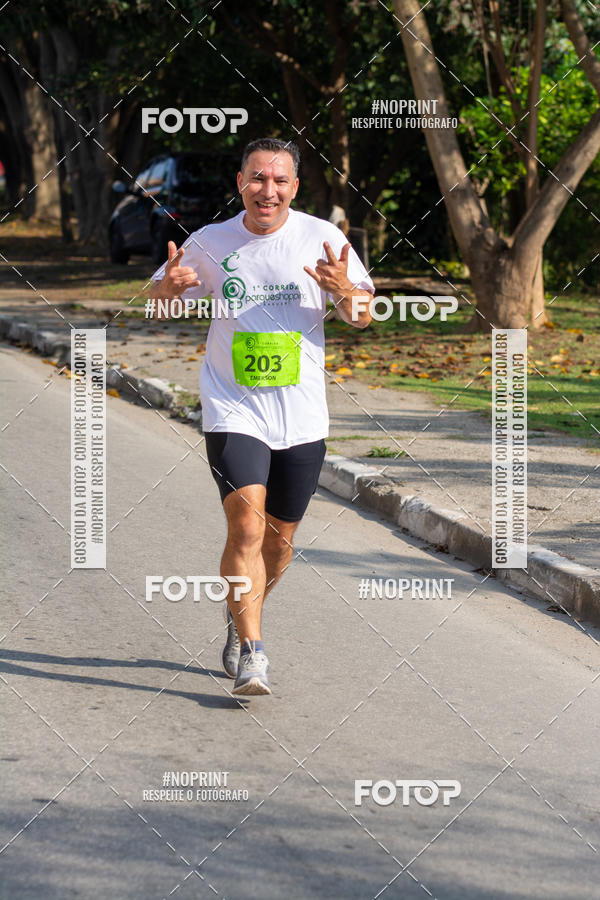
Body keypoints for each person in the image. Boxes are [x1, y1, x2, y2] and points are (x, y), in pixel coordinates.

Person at [150, 137, 374, 695]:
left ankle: (238, 609)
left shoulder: (322, 237)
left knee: (278, 543)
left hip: (301, 414)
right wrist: (167, 287)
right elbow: (158, 299)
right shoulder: (210, 242)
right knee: (246, 525)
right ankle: (252, 650)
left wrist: (346, 291)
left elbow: (363, 314)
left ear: (294, 188)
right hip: (233, 405)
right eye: (256, 178)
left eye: (278, 181)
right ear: (240, 183)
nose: (266, 190)